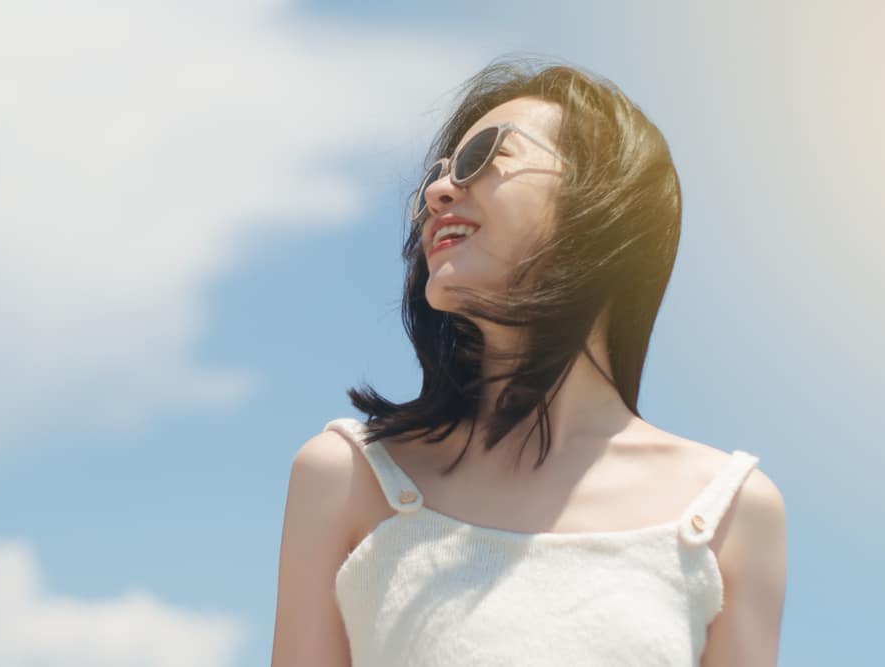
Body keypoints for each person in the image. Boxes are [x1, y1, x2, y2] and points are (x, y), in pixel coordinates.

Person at [271, 57, 786, 666]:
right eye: (435, 178)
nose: (438, 193)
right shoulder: (348, 477)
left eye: (484, 157)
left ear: (603, 200)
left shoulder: (731, 508)